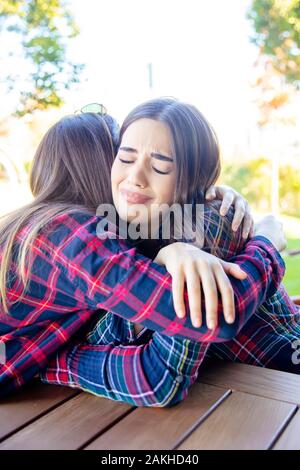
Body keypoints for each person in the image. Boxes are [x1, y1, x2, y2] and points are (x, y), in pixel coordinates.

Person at [36, 99, 285, 407]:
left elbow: (160, 373)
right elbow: (119, 333)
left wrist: (49, 362)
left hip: (281, 384)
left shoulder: (201, 226)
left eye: (160, 166)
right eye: (124, 156)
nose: (134, 177)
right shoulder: (104, 245)